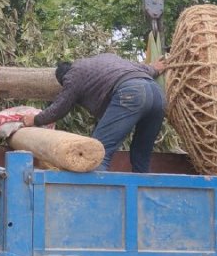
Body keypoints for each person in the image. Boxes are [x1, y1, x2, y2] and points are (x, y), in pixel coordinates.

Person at [17, 53, 168, 173]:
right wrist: (155, 68)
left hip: (131, 94)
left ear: (63, 78)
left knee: (97, 153)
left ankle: (98, 203)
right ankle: (142, 200)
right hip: (158, 96)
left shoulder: (73, 74)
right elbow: (142, 69)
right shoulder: (107, 59)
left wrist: (35, 120)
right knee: (142, 154)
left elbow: (60, 108)